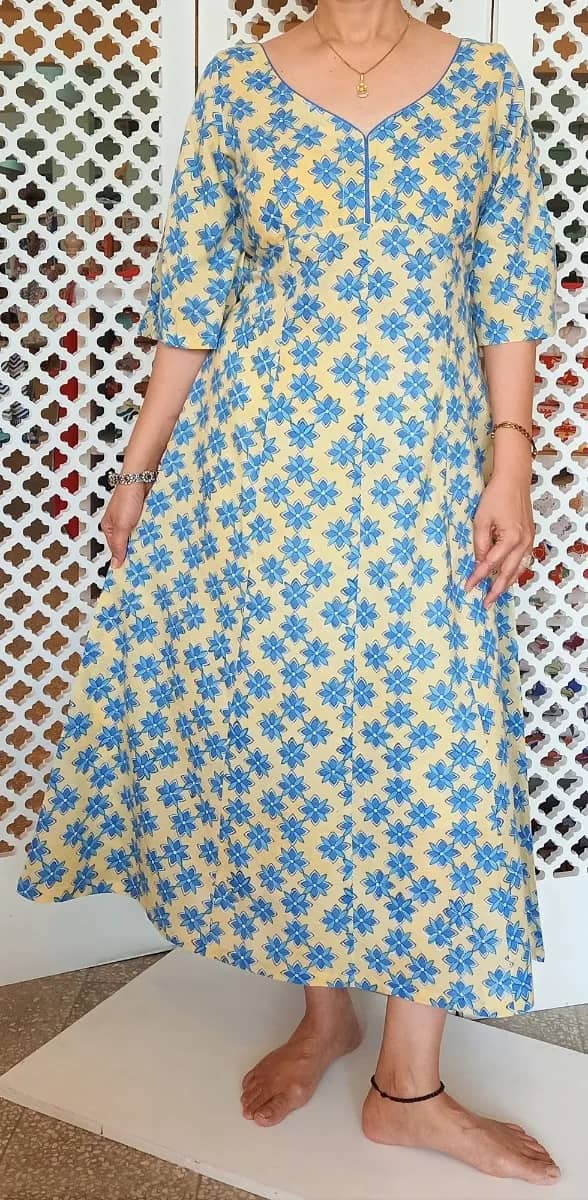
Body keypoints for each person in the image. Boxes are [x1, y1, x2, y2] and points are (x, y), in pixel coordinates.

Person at [16, 0, 560, 1184]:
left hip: (425, 466)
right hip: (261, 468)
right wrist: (139, 466)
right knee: (297, 726)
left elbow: (512, 279)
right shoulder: (239, 88)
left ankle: (410, 1088)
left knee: (433, 743)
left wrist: (512, 460)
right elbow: (196, 293)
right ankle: (327, 1016)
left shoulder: (483, 86)